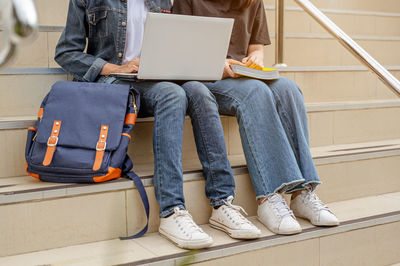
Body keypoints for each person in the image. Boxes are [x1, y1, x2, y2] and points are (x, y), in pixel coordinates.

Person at [54, 0, 261, 250]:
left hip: (157, 79)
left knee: (198, 90)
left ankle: (222, 203)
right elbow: (66, 52)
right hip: (113, 80)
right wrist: (114, 67)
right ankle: (171, 210)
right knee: (173, 95)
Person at [173, 0, 339, 235]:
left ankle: (302, 193)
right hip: (204, 78)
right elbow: (179, 48)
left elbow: (256, 48)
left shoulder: (252, 1)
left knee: (288, 89)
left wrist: (256, 60)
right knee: (256, 92)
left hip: (240, 76)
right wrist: (216, 64)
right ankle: (268, 197)